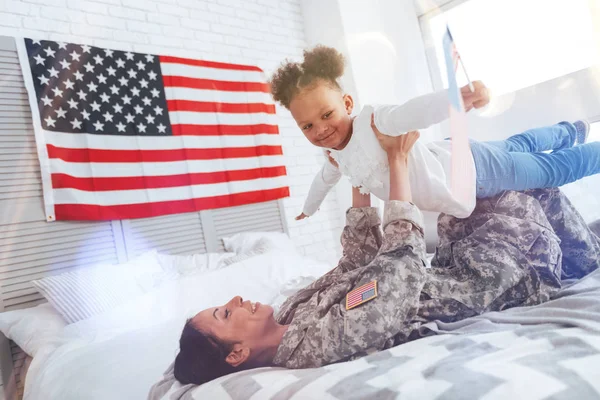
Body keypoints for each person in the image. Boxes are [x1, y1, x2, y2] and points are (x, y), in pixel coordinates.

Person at [169, 125, 600, 385]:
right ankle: (586, 258)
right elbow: (399, 273)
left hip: (452, 264)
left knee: (467, 173)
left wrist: (356, 170)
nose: (236, 301)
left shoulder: (290, 312)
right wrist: (396, 163)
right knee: (521, 188)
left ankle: (568, 135)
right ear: (237, 354)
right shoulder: (317, 345)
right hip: (492, 276)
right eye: (225, 315)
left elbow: (355, 264)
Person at [269, 45, 600, 220]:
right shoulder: (336, 157)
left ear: (347, 102)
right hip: (453, 154)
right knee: (518, 144)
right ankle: (570, 129)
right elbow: (322, 181)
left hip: (472, 171)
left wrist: (459, 99)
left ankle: (581, 144)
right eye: (307, 125)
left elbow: (415, 111)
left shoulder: (375, 122)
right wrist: (308, 209)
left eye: (326, 115)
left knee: (549, 169)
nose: (321, 129)